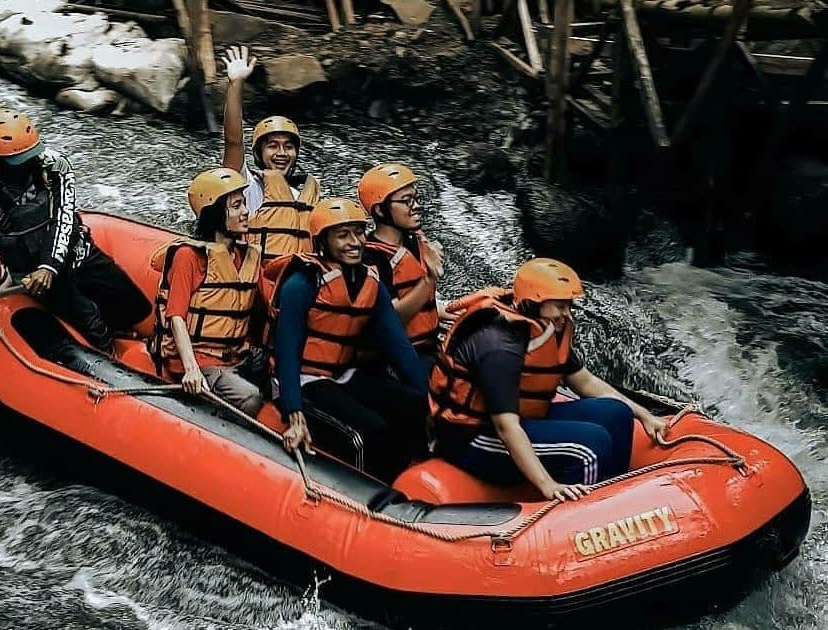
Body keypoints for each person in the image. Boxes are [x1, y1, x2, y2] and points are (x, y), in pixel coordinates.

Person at [428, 258, 670, 501]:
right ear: (533, 302)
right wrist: (548, 485)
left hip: (520, 420)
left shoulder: (546, 327)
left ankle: (615, 498)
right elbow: (506, 427)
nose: (566, 314)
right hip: (472, 437)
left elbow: (585, 382)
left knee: (616, 413)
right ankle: (587, 520)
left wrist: (645, 415)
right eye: (559, 306)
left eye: (568, 306)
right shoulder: (499, 345)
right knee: (590, 447)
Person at [0, 109, 151, 351]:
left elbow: (64, 217)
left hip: (75, 253)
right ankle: (107, 354)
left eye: (31, 156)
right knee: (89, 318)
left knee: (135, 306)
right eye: (20, 161)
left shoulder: (55, 166)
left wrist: (49, 265)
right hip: (33, 275)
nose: (30, 164)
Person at [267, 197, 428, 482]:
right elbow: (287, 352)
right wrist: (294, 412)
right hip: (304, 380)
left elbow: (398, 347)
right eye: (343, 235)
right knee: (372, 430)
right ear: (324, 241)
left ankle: (417, 475)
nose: (354, 242)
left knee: (413, 403)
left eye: (358, 233)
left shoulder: (370, 282)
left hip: (344, 373)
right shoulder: (302, 283)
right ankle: (377, 491)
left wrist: (429, 400)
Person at [148, 168, 264, 416]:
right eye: (236, 206)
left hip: (236, 355)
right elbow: (175, 316)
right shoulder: (189, 256)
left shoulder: (247, 255)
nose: (246, 212)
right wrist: (192, 369)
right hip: (201, 359)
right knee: (251, 398)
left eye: (244, 204)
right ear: (214, 215)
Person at [221, 45, 320, 260]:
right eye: (273, 145)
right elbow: (233, 141)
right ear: (259, 153)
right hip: (259, 274)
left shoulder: (305, 196)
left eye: (288, 146)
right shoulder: (247, 187)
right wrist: (236, 83)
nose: (282, 153)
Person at [358, 163, 454, 366]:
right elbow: (392, 320)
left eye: (416, 198)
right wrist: (430, 278)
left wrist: (454, 312)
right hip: (395, 357)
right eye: (406, 201)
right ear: (381, 211)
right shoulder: (369, 258)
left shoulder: (415, 242)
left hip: (428, 343)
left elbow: (421, 302)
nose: (416, 206)